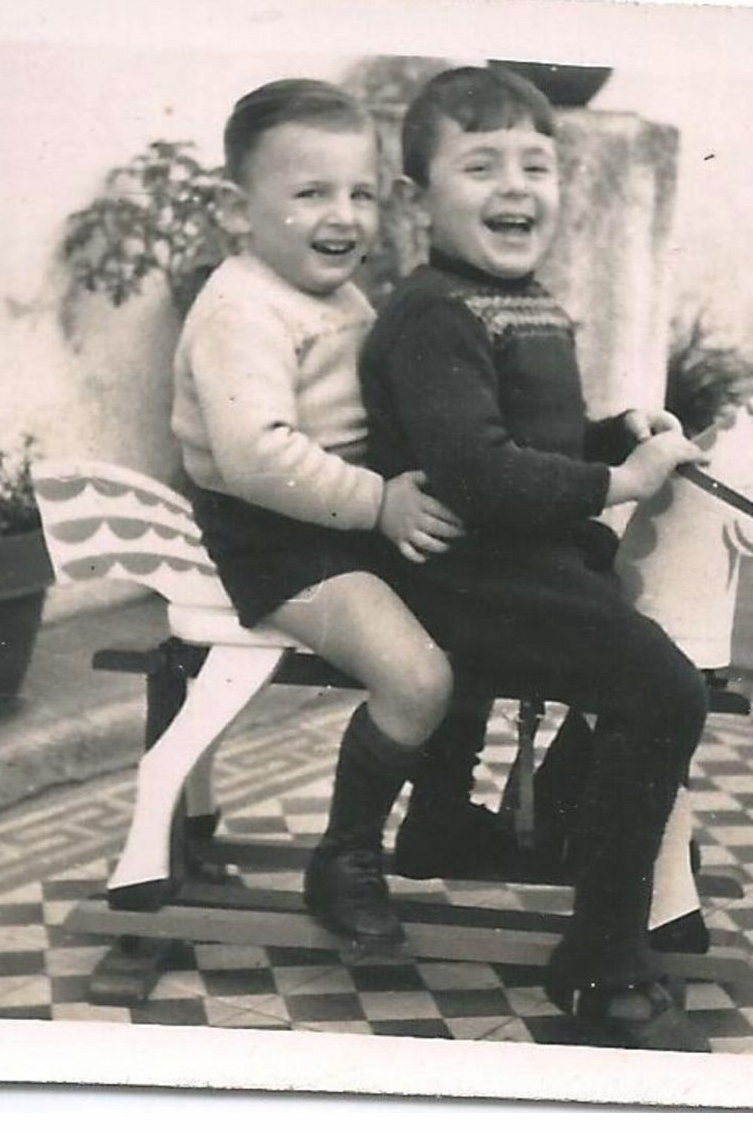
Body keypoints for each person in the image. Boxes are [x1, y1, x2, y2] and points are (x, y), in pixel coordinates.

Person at [359, 66, 713, 1052]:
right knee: (666, 693)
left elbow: (536, 444)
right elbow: (477, 474)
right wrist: (621, 481)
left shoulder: (521, 301)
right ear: (414, 200)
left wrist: (612, 433)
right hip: (464, 577)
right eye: (479, 166)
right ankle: (598, 959)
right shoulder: (435, 314)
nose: (515, 186)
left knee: (637, 644)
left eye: (535, 164)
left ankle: (458, 826)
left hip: (518, 566)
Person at [172, 78, 461, 952]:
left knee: (498, 608)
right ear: (236, 211)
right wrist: (380, 503)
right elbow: (257, 456)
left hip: (339, 517)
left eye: (361, 192)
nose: (345, 216)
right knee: (416, 678)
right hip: (273, 536)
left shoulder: (339, 297)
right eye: (311, 193)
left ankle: (450, 815)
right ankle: (344, 857)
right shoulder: (240, 308)